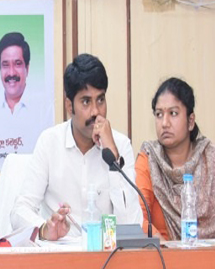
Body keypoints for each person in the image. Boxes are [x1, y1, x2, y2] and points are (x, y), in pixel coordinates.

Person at [10, 53, 141, 240]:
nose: (95, 111)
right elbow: (19, 210)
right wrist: (44, 229)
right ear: (69, 106)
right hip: (60, 252)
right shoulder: (49, 142)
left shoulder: (120, 145)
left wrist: (113, 158)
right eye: (86, 102)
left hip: (105, 253)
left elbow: (132, 224)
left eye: (100, 100)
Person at [136, 77, 215, 239]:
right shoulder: (149, 159)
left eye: (173, 113)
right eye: (159, 114)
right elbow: (137, 217)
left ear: (190, 121)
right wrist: (161, 244)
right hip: (163, 252)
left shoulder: (213, 158)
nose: (164, 123)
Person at [0, 32, 52, 165]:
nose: (11, 73)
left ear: (27, 68)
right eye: (5, 65)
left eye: (17, 64)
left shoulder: (45, 110)